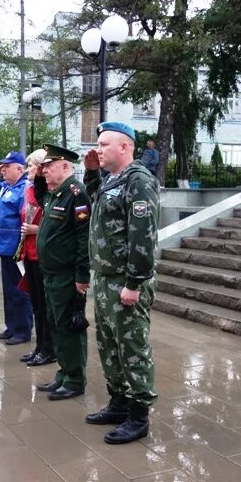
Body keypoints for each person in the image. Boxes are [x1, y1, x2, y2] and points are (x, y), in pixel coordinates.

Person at [83, 121, 160, 444]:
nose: (97, 149)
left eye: (103, 144)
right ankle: (118, 402)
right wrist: (89, 174)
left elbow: (142, 235)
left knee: (132, 346)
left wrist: (134, 282)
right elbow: (98, 209)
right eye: (98, 144)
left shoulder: (138, 181)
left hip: (126, 281)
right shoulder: (110, 179)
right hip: (105, 278)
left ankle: (139, 415)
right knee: (109, 345)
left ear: (124, 147)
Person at [33, 144, 91, 400]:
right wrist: (37, 174)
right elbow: (38, 194)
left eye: (49, 166)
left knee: (69, 328)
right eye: (43, 167)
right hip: (51, 273)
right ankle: (64, 374)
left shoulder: (77, 195)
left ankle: (75, 380)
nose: (44, 171)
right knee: (56, 326)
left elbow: (83, 237)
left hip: (68, 275)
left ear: (66, 166)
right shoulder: (55, 194)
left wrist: (81, 275)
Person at [0, 151, 33, 345]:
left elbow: (26, 217)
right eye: (2, 166)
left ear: (19, 169)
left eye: (7, 166)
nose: (3, 169)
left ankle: (22, 331)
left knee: (19, 291)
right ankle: (11, 327)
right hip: (4, 248)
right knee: (8, 291)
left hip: (16, 249)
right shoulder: (5, 187)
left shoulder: (24, 189)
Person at [17, 149, 55, 367]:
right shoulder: (30, 191)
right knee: (36, 305)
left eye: (31, 165)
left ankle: (48, 348)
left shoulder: (48, 193)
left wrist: (36, 229)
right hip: (29, 253)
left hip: (42, 255)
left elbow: (55, 226)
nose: (28, 169)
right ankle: (40, 346)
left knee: (44, 304)